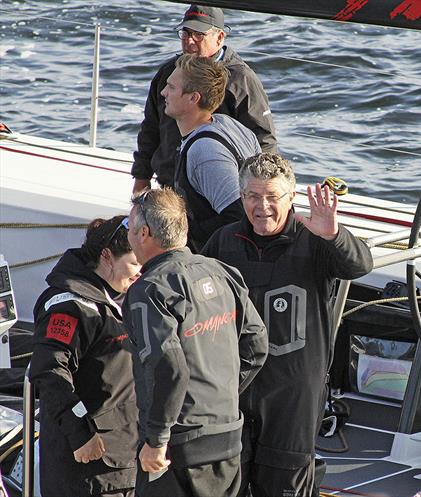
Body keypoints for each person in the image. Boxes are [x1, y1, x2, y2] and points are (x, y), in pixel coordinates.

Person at [202, 154, 374, 497]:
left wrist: (334, 234)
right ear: (241, 197)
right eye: (252, 196)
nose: (261, 206)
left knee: (285, 483)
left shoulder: (314, 239)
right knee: (226, 480)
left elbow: (360, 265)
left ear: (290, 197)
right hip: (233, 387)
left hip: (293, 395)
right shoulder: (224, 241)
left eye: (272, 197)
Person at [122, 188, 268, 497]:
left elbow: (169, 367)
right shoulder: (223, 273)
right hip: (228, 435)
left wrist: (157, 441)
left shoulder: (149, 291)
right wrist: (221, 393)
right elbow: (256, 344)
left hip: (179, 446)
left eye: (128, 227)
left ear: (144, 233)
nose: (128, 235)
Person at [30, 215, 141, 497]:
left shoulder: (121, 297)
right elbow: (50, 371)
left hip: (124, 460)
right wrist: (81, 433)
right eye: (135, 262)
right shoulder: (69, 305)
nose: (141, 270)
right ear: (107, 256)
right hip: (89, 467)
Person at [132, 4, 277, 192]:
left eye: (198, 34)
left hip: (215, 189)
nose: (189, 41)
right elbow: (150, 129)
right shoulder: (169, 74)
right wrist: (141, 177)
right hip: (169, 187)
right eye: (185, 33)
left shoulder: (240, 80)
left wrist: (260, 191)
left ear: (220, 37)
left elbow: (264, 140)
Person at [164, 53, 261, 251]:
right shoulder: (230, 124)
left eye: (171, 87)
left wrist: (179, 230)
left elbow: (239, 216)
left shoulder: (205, 151)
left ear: (193, 98)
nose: (163, 93)